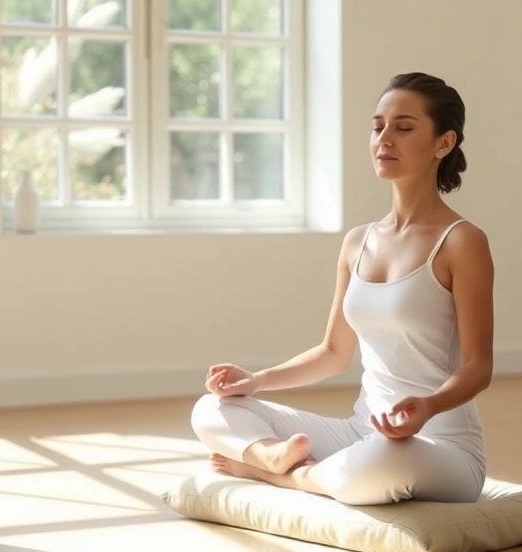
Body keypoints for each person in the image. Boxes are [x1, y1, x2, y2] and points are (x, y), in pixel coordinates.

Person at [190, 72, 495, 506]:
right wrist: (254, 382)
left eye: (404, 128)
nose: (384, 138)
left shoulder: (462, 241)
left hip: (441, 446)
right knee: (213, 408)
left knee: (381, 460)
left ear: (443, 144)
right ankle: (272, 458)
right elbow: (334, 353)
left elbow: (478, 366)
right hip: (361, 433)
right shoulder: (357, 242)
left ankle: (280, 476)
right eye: (378, 127)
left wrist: (426, 408)